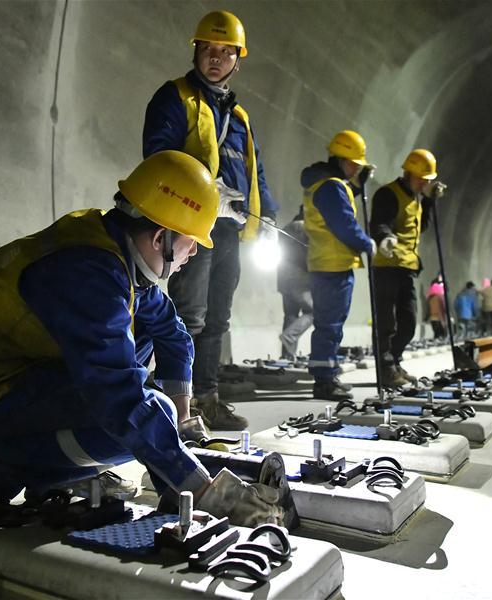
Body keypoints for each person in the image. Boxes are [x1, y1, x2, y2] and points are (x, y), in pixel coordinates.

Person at [0, 151, 285, 526]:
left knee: (157, 402)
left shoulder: (118, 252)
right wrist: (204, 491)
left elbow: (172, 334)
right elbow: (120, 399)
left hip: (7, 370)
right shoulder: (90, 272)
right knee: (130, 423)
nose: (193, 253)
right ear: (161, 237)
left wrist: (183, 425)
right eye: (192, 242)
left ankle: (52, 471)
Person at [142, 10, 278, 430]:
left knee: (217, 318)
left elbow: (254, 171)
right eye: (208, 49)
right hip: (188, 227)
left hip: (229, 231)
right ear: (196, 52)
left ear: (238, 58)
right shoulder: (175, 98)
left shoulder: (239, 117)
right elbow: (159, 157)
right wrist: (207, 197)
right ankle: (170, 402)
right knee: (188, 316)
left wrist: (267, 212)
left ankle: (207, 398)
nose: (215, 58)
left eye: (225, 51)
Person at [302, 130, 376, 400]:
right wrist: (367, 243)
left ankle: (328, 373)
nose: (356, 168)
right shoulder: (331, 186)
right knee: (330, 324)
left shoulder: (328, 184)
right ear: (341, 159)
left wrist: (356, 187)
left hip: (327, 262)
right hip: (332, 264)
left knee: (331, 322)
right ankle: (323, 382)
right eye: (354, 163)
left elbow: (337, 207)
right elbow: (343, 223)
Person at [369, 149, 444, 387]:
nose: (425, 183)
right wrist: (384, 237)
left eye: (427, 179)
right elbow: (380, 221)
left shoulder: (415, 198)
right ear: (409, 173)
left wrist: (430, 202)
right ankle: (386, 368)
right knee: (386, 322)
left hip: (406, 267)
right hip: (387, 265)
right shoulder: (388, 194)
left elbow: (419, 228)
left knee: (409, 322)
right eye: (422, 177)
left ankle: (395, 362)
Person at [276, 206, 312, 360]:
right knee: (315, 311)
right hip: (301, 278)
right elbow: (310, 254)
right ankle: (290, 336)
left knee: (290, 314)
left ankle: (287, 356)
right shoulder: (307, 229)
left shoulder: (285, 229)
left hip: (284, 278)